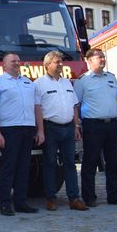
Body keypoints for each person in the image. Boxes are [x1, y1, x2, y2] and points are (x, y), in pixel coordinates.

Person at [74, 48, 117, 207]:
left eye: (103, 57)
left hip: (112, 124)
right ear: (89, 60)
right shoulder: (82, 81)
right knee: (90, 162)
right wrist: (77, 125)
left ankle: (114, 195)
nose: (103, 60)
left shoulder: (111, 78)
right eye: (99, 57)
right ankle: (89, 197)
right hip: (93, 125)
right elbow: (76, 105)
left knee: (113, 162)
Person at [33, 51, 88, 212]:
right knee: (49, 164)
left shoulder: (66, 83)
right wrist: (40, 131)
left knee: (70, 164)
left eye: (61, 62)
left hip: (68, 128)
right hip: (50, 128)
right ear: (47, 64)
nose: (61, 64)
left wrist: (76, 126)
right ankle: (50, 198)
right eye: (57, 62)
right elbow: (37, 109)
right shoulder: (39, 83)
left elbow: (74, 106)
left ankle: (74, 198)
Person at [0, 53, 40, 216]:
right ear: (4, 65)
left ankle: (20, 202)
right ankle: (5, 203)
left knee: (24, 167)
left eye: (18, 60)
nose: (17, 63)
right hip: (9, 130)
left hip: (27, 128)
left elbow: (37, 107)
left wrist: (39, 129)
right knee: (8, 168)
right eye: (13, 61)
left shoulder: (28, 83)